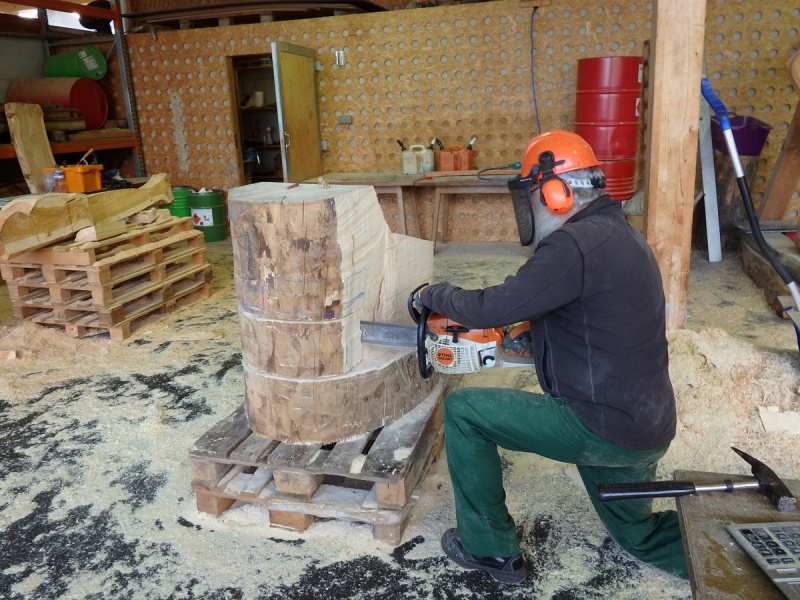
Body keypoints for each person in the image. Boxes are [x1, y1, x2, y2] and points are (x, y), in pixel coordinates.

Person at [414, 130, 687, 585]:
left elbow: (492, 307)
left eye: (532, 196)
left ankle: (490, 550)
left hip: (599, 424)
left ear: (555, 193)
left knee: (463, 411)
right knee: (637, 536)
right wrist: (538, 334)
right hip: (647, 426)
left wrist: (433, 294)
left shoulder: (572, 245)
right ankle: (733, 548)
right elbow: (591, 313)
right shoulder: (620, 233)